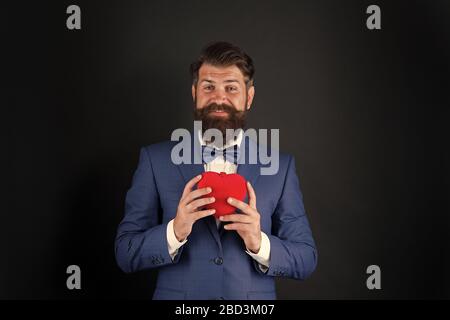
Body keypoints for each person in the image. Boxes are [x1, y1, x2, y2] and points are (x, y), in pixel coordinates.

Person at [115, 41, 317, 300]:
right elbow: (125, 252)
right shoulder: (155, 160)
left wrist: (259, 242)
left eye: (231, 88)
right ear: (194, 93)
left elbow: (306, 258)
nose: (219, 98)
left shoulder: (281, 167)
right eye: (208, 87)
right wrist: (174, 231)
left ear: (249, 97)